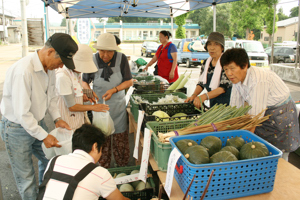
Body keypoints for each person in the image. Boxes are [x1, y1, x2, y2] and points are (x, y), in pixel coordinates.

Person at [0, 33, 76, 200]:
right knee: (26, 177)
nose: (60, 66)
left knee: (51, 161)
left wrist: (57, 118)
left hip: (37, 122)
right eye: (61, 61)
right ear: (50, 52)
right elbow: (22, 114)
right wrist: (44, 135)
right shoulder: (23, 71)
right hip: (16, 128)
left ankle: (45, 195)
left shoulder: (49, 69)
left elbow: (51, 98)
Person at [220, 48, 300, 161]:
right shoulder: (236, 80)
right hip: (265, 113)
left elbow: (254, 118)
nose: (229, 73)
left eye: (232, 68)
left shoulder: (258, 80)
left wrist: (240, 145)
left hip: (281, 114)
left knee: (279, 154)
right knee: (263, 150)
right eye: (225, 69)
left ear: (244, 65)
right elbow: (235, 109)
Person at [37, 124, 130, 200]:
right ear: (94, 147)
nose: (100, 154)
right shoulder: (100, 173)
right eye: (101, 149)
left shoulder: (54, 161)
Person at [82, 33, 133, 168]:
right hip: (100, 107)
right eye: (102, 51)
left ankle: (122, 167)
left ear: (115, 50)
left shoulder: (121, 59)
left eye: (109, 51)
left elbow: (129, 81)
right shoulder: (92, 60)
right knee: (101, 139)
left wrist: (114, 90)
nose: (105, 55)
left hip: (117, 107)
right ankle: (104, 169)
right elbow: (84, 81)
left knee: (120, 138)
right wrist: (88, 91)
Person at [55, 44, 109, 130]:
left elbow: (73, 90)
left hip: (77, 120)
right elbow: (72, 106)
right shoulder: (63, 77)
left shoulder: (76, 73)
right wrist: (93, 107)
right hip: (67, 123)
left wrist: (86, 93)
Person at [185, 32, 232, 108]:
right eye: (209, 44)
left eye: (216, 44)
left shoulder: (226, 63)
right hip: (213, 104)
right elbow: (201, 83)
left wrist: (204, 96)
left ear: (222, 47)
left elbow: (223, 87)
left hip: (228, 105)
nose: (212, 48)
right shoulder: (206, 63)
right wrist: (194, 95)